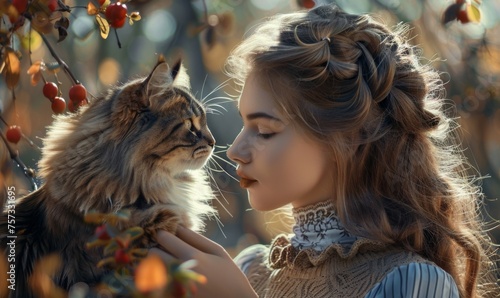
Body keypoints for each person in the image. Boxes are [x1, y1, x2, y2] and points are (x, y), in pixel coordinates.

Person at [151, 4, 499, 298]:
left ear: (345, 138)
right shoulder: (249, 268)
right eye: (244, 124)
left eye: (266, 131)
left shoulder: (413, 282)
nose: (236, 150)